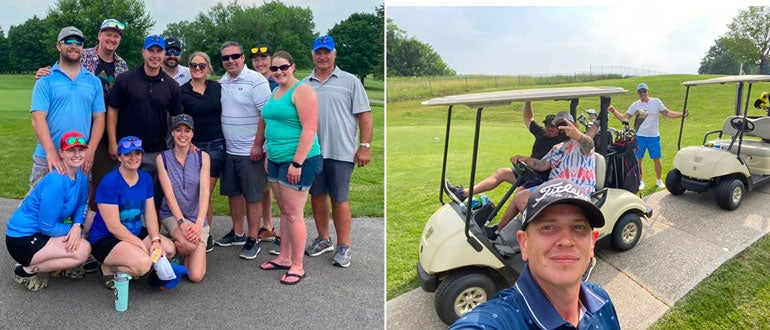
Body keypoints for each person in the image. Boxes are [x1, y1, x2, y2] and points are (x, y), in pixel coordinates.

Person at [450, 178, 620, 329]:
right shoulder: (498, 321)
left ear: (592, 243)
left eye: (578, 227)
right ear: (524, 243)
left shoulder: (600, 298)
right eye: (548, 227)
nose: (566, 241)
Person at [304, 35, 373, 268]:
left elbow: (365, 115)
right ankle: (324, 239)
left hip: (341, 151)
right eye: (318, 52)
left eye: (327, 52)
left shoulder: (350, 81)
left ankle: (345, 246)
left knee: (340, 198)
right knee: (317, 196)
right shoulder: (304, 84)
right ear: (312, 55)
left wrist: (364, 146)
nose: (322, 56)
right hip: (313, 151)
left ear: (334, 54)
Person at [255, 50, 322, 285]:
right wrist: (268, 152)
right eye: (274, 68)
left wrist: (297, 163)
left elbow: (309, 129)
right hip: (275, 160)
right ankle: (283, 257)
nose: (279, 72)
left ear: (293, 67)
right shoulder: (276, 91)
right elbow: (270, 123)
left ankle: (297, 265)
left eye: (283, 67)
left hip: (298, 161)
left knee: (294, 214)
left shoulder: (302, 90)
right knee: (284, 211)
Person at [5, 131, 92, 291]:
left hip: (42, 233)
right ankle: (25, 271)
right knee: (83, 249)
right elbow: (47, 227)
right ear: (62, 153)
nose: (77, 154)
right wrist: (74, 231)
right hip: (22, 239)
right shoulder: (56, 183)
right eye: (71, 150)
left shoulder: (81, 175)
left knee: (84, 228)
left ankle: (57, 268)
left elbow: (81, 204)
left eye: (81, 150)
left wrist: (77, 225)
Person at [89, 136, 176, 289]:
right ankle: (107, 268)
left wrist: (155, 240)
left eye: (137, 153)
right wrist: (140, 245)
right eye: (128, 154)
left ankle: (132, 263)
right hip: (106, 238)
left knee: (168, 249)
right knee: (144, 264)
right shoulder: (109, 183)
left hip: (133, 232)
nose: (133, 158)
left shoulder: (145, 178)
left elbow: (150, 214)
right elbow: (114, 227)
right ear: (120, 157)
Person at [107, 34, 182, 210]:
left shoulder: (171, 85)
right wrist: (112, 142)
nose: (155, 55)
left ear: (164, 54)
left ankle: (152, 234)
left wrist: (178, 148)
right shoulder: (125, 80)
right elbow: (112, 110)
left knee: (154, 199)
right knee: (125, 198)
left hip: (158, 150)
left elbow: (176, 118)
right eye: (151, 51)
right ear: (143, 52)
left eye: (159, 51)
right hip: (128, 150)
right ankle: (126, 234)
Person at [213, 41, 271, 261]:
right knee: (233, 193)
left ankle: (253, 237)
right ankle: (237, 232)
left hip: (250, 151)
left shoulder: (256, 81)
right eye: (226, 58)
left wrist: (259, 146)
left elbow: (266, 115)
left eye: (234, 56)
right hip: (229, 149)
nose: (230, 61)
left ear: (243, 57)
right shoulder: (223, 82)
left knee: (253, 195)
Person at [445, 101, 568, 203]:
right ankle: (463, 194)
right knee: (502, 172)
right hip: (529, 172)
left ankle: (509, 226)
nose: (550, 129)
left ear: (558, 128)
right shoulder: (541, 132)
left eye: (553, 126)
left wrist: (524, 159)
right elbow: (528, 118)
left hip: (542, 180)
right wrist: (527, 100)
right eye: (548, 125)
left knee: (520, 194)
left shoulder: (561, 141)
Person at [496, 111, 596, 234]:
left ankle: (544, 233)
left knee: (521, 197)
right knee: (520, 196)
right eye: (557, 126)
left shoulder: (580, 144)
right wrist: (525, 159)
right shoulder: (557, 147)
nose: (560, 129)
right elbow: (543, 165)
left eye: (563, 124)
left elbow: (588, 143)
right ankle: (498, 229)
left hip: (574, 189)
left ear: (573, 125)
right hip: (555, 188)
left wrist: (578, 135)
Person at [29, 26, 105, 188]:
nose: (73, 46)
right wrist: (51, 153)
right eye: (68, 41)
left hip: (79, 158)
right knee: (42, 209)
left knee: (78, 209)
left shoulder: (93, 81)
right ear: (58, 46)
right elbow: (37, 118)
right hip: (47, 157)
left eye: (78, 42)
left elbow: (99, 119)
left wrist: (89, 152)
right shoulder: (45, 80)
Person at [179, 51, 224, 253]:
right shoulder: (182, 92)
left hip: (215, 146)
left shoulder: (217, 88)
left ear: (208, 68)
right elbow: (178, 121)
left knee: (205, 193)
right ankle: (193, 232)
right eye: (193, 65)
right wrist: (187, 143)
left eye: (202, 66)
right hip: (193, 147)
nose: (197, 69)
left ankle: (205, 234)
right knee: (193, 193)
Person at [157, 114, 210, 282]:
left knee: (195, 276)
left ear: (192, 134)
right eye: (178, 130)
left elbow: (205, 193)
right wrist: (182, 222)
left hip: (196, 218)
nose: (182, 134)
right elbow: (169, 194)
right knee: (188, 244)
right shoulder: (162, 158)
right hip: (172, 216)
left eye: (187, 131)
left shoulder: (203, 157)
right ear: (172, 133)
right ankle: (176, 247)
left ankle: (181, 253)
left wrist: (199, 223)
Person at [608, 83, 688, 190]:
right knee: (638, 160)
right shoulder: (635, 105)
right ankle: (640, 181)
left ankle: (659, 180)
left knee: (657, 159)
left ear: (648, 92)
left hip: (654, 136)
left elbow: (667, 113)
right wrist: (613, 111)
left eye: (644, 91)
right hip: (640, 136)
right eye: (640, 92)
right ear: (638, 94)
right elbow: (624, 118)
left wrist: (681, 115)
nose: (642, 94)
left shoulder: (656, 102)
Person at [250, 44, 280, 253]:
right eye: (256, 60)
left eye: (264, 59)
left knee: (282, 189)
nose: (260, 63)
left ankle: (286, 236)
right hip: (258, 141)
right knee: (264, 187)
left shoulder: (277, 82)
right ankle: (267, 226)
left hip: (276, 143)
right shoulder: (254, 81)